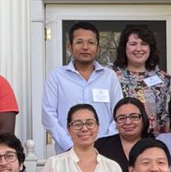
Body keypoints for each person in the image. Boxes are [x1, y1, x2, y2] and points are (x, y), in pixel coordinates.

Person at [42, 21, 124, 152]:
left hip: (105, 153)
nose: (85, 47)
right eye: (79, 42)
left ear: (98, 49)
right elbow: (48, 116)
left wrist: (105, 144)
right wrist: (69, 145)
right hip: (66, 152)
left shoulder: (109, 77)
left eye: (91, 42)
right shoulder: (57, 76)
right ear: (70, 47)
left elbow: (119, 113)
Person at [113, 25, 171, 136]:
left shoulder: (165, 80)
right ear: (124, 47)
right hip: (121, 140)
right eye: (133, 44)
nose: (139, 49)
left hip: (155, 142)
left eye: (144, 44)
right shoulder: (112, 77)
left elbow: (169, 117)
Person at [95, 96, 152, 172]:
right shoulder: (100, 146)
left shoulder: (155, 145)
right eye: (121, 118)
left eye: (134, 117)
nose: (128, 122)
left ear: (143, 118)